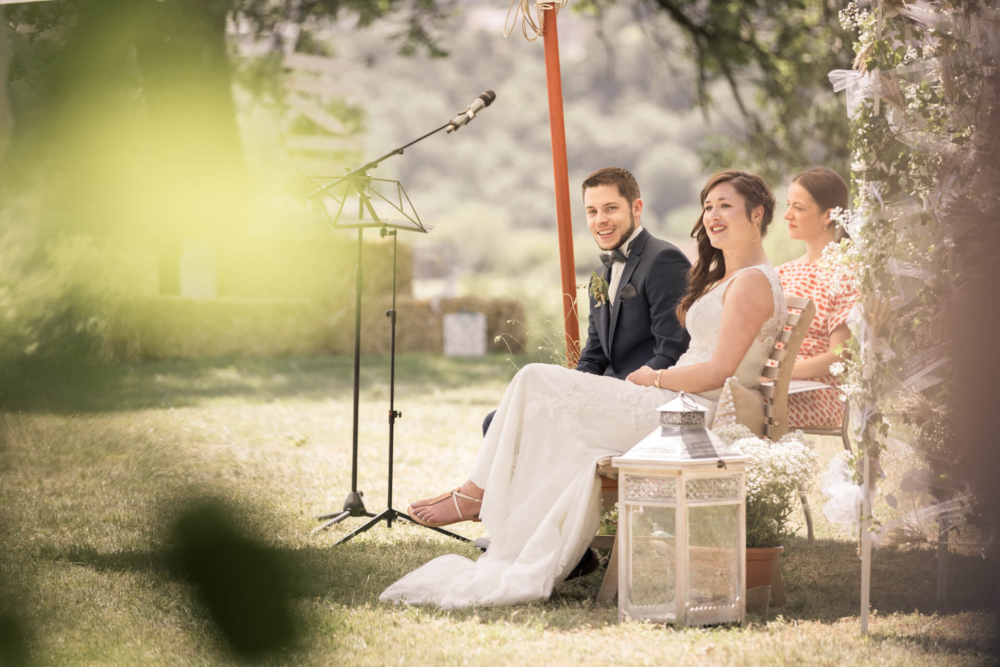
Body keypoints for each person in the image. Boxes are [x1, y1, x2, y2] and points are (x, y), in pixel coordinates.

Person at [381, 170, 786, 609]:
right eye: (708, 206)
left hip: (683, 416)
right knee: (537, 392)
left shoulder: (749, 282)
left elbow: (719, 370)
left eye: (725, 205)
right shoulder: (736, 278)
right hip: (674, 403)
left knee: (534, 378)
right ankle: (492, 502)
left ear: (757, 213)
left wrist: (656, 378)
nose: (712, 216)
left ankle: (478, 493)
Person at [479, 166, 692, 437]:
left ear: (636, 208)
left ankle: (485, 482)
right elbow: (592, 358)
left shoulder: (663, 260)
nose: (600, 219)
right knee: (497, 420)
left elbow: (672, 351)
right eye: (592, 211)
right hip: (604, 395)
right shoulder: (600, 276)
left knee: (527, 390)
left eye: (610, 208)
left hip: (642, 400)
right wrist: (572, 391)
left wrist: (612, 393)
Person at [775, 167, 857, 429]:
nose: (787, 215)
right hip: (773, 384)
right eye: (789, 205)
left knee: (740, 406)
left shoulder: (846, 273)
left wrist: (778, 373)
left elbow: (840, 356)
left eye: (798, 208)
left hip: (819, 394)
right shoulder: (782, 273)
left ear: (829, 215)